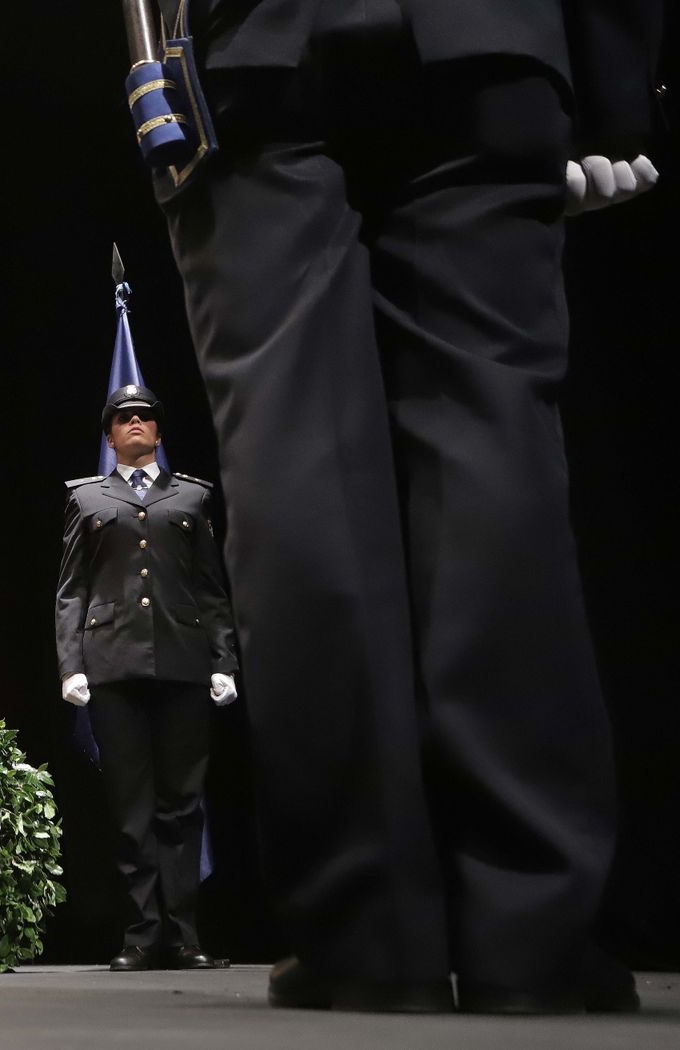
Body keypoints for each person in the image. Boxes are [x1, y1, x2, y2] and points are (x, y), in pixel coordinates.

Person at [149, 0, 662, 1014]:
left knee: (294, 461)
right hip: (486, 35)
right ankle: (534, 934)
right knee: (495, 458)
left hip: (254, 46)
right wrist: (613, 93)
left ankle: (364, 930)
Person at [54, 385, 239, 972]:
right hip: (111, 663)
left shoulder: (191, 497)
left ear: (158, 432)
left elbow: (211, 589)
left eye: (145, 417)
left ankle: (185, 935)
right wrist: (70, 664)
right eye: (123, 418)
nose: (135, 423)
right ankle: (141, 934)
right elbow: (71, 590)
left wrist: (224, 659)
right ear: (110, 435)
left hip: (183, 661)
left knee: (182, 803)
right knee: (131, 806)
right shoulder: (87, 499)